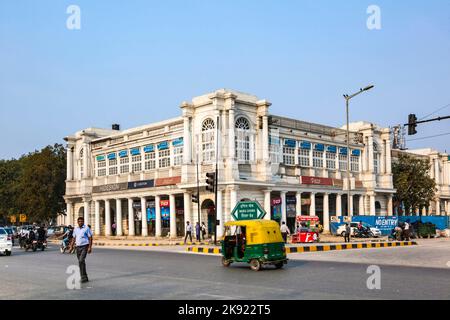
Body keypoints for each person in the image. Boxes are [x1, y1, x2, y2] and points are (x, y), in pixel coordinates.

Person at [69, 217, 93, 283]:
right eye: (79, 221)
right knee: (81, 262)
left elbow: (90, 238)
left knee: (81, 260)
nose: (80, 222)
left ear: (83, 222)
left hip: (85, 246)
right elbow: (74, 238)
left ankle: (83, 277)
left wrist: (90, 247)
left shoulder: (86, 228)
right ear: (77, 222)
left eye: (82, 221)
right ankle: (84, 277)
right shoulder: (75, 229)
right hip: (78, 247)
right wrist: (71, 246)